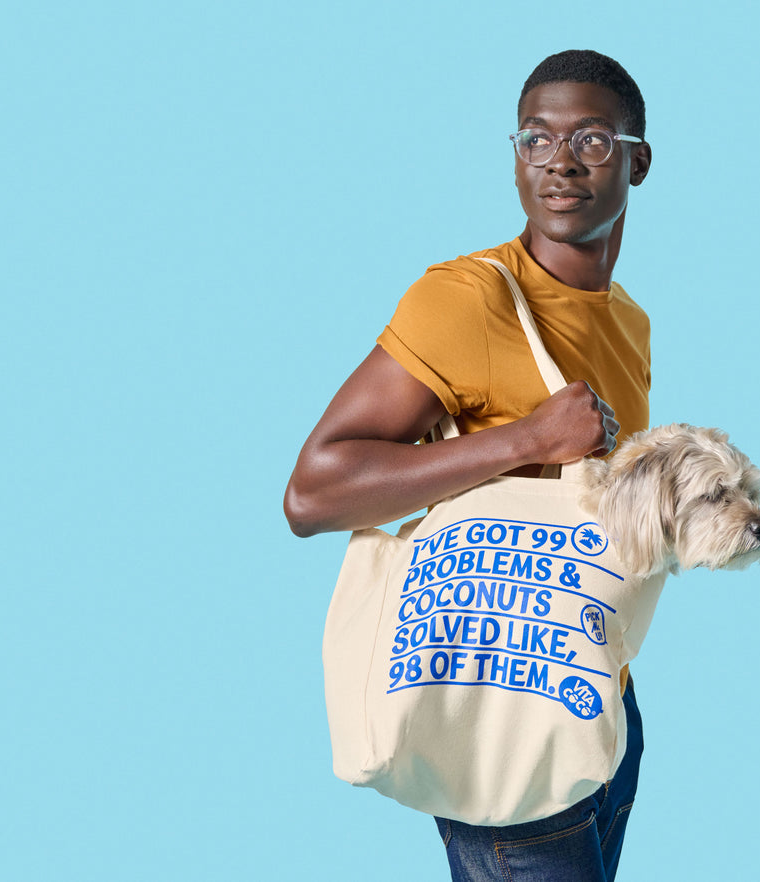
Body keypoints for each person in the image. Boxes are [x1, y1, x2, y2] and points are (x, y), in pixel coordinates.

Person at [285, 49, 653, 882]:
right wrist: (524, 440)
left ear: (638, 161)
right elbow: (312, 490)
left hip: (599, 699)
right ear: (516, 158)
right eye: (536, 140)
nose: (559, 162)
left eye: (592, 141)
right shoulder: (467, 298)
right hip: (503, 711)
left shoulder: (628, 320)